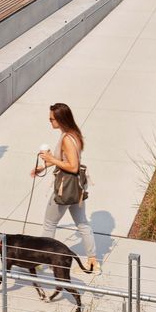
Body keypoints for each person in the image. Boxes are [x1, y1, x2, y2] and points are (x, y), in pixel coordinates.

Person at [34, 103, 100, 273]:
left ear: (61, 119)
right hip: (76, 188)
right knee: (83, 224)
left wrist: (50, 158)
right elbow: (62, 159)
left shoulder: (66, 139)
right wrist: (44, 166)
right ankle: (93, 260)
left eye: (52, 119)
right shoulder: (74, 135)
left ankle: (43, 261)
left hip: (65, 188)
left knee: (49, 224)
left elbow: (73, 166)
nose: (50, 122)